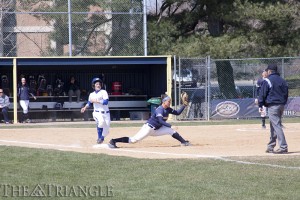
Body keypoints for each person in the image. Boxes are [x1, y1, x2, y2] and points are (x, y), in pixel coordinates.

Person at [109, 96, 191, 148]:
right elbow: (160, 120)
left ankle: (183, 142)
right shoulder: (160, 109)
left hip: (157, 129)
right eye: (168, 101)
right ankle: (113, 141)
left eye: (170, 101)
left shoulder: (168, 109)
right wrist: (170, 125)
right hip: (148, 128)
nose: (170, 102)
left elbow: (177, 113)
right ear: (164, 102)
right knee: (133, 140)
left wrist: (184, 105)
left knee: (171, 131)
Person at [258, 64, 289, 154]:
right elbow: (286, 93)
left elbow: (263, 94)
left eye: (267, 71)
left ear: (269, 71)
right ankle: (271, 146)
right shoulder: (282, 80)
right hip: (281, 105)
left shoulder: (267, 80)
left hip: (273, 105)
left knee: (276, 125)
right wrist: (283, 102)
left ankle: (283, 147)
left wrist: (260, 105)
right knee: (273, 124)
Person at [81, 78, 110, 144]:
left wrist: (97, 101)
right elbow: (89, 102)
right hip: (97, 112)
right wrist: (85, 107)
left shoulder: (103, 92)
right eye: (97, 84)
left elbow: (106, 102)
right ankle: (99, 138)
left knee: (107, 131)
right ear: (93, 85)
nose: (98, 85)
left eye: (99, 84)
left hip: (106, 113)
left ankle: (101, 138)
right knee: (101, 122)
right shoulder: (91, 94)